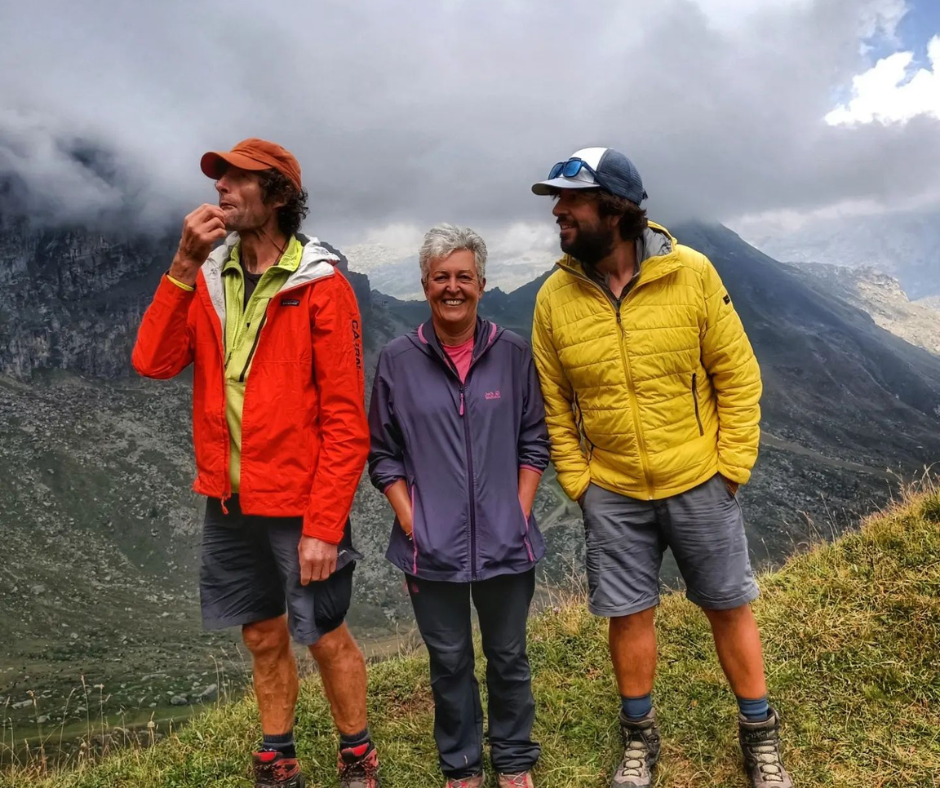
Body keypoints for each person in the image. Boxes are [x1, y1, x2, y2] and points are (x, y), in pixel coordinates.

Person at [529, 148, 792, 788]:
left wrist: (730, 467)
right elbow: (553, 403)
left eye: (573, 201)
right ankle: (639, 741)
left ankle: (759, 735)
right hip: (612, 490)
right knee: (629, 613)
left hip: (700, 478)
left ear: (615, 210)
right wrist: (580, 483)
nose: (559, 212)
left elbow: (737, 373)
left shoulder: (692, 274)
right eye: (557, 201)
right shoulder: (553, 298)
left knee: (729, 605)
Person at [132, 138, 380, 788]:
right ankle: (279, 757)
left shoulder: (322, 287)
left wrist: (325, 524)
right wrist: (183, 262)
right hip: (229, 499)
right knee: (263, 637)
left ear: (277, 197)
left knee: (324, 634)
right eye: (220, 181)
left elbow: (347, 422)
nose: (220, 191)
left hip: (300, 507)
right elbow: (152, 361)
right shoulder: (210, 276)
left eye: (237, 182)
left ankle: (358, 757)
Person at [368, 224, 550, 788]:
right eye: (442, 277)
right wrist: (410, 519)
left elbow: (534, 441)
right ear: (425, 285)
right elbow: (383, 453)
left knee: (508, 655)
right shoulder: (397, 360)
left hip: (505, 540)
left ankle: (514, 761)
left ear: (482, 284)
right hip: (431, 548)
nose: (453, 287)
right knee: (449, 662)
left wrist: (518, 512)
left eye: (463, 277)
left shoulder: (513, 353)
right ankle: (462, 766)